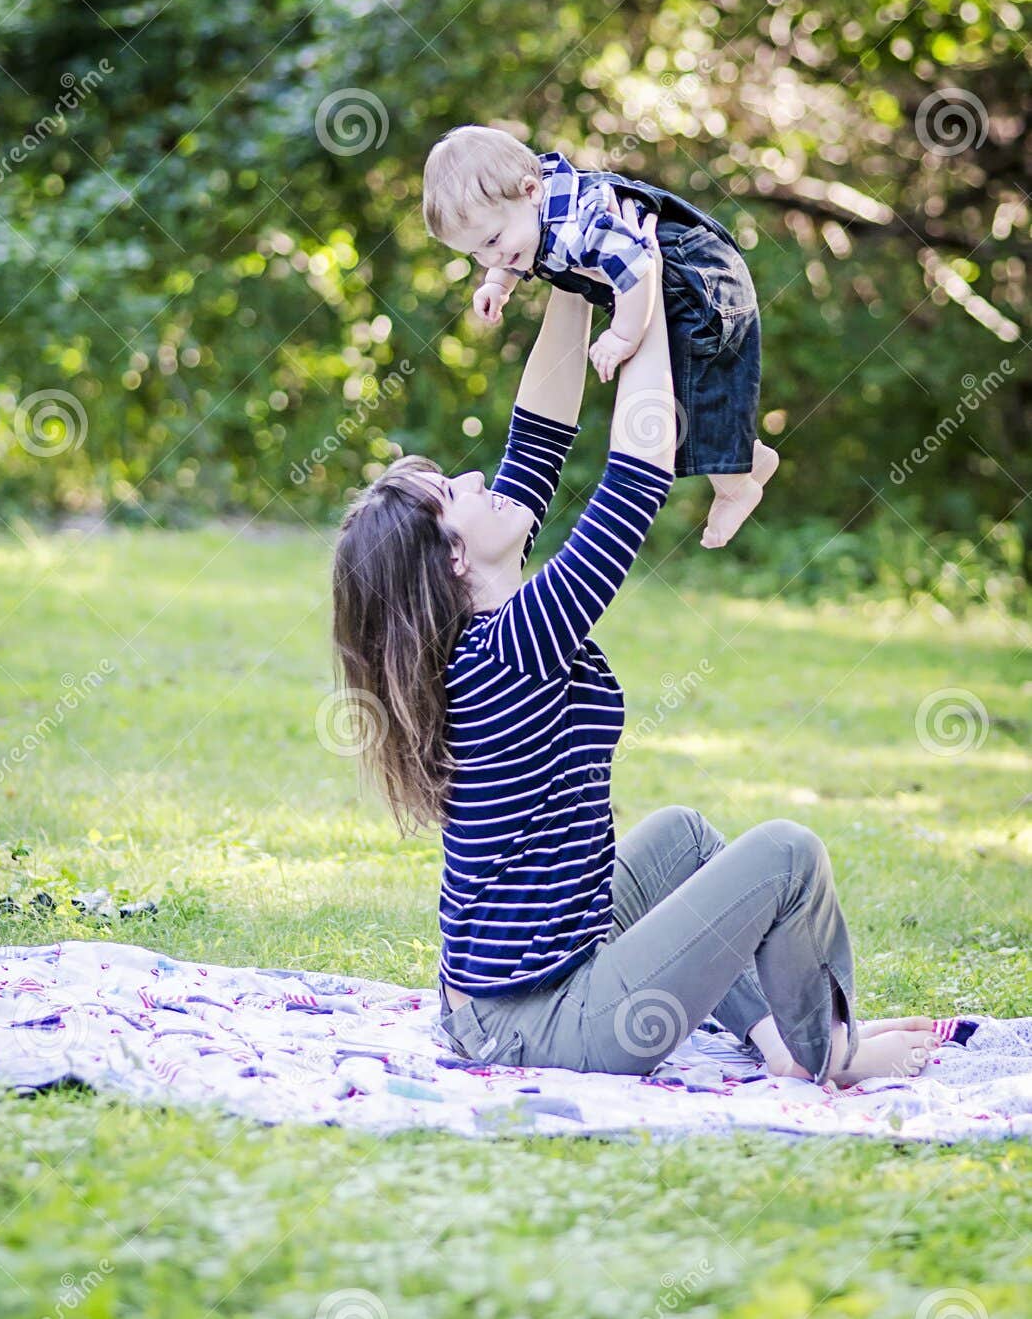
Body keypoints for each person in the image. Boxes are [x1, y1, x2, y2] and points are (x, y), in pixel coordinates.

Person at [332, 203, 935, 1086]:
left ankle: (774, 1035)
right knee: (786, 853)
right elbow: (635, 477)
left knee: (686, 838)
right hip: (540, 1022)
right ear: (455, 558)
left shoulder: (496, 619)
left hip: (522, 989)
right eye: (452, 492)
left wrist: (566, 257)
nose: (476, 477)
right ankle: (829, 1052)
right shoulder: (511, 647)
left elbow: (538, 433)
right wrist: (636, 289)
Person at [422, 123, 779, 549]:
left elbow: (639, 265)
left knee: (689, 393)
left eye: (494, 240)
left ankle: (736, 487)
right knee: (680, 402)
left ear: (531, 190)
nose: (491, 256)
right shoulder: (527, 218)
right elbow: (512, 255)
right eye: (476, 251)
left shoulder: (579, 225)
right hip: (675, 280)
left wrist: (623, 336)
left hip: (699, 280)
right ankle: (746, 459)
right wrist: (497, 285)